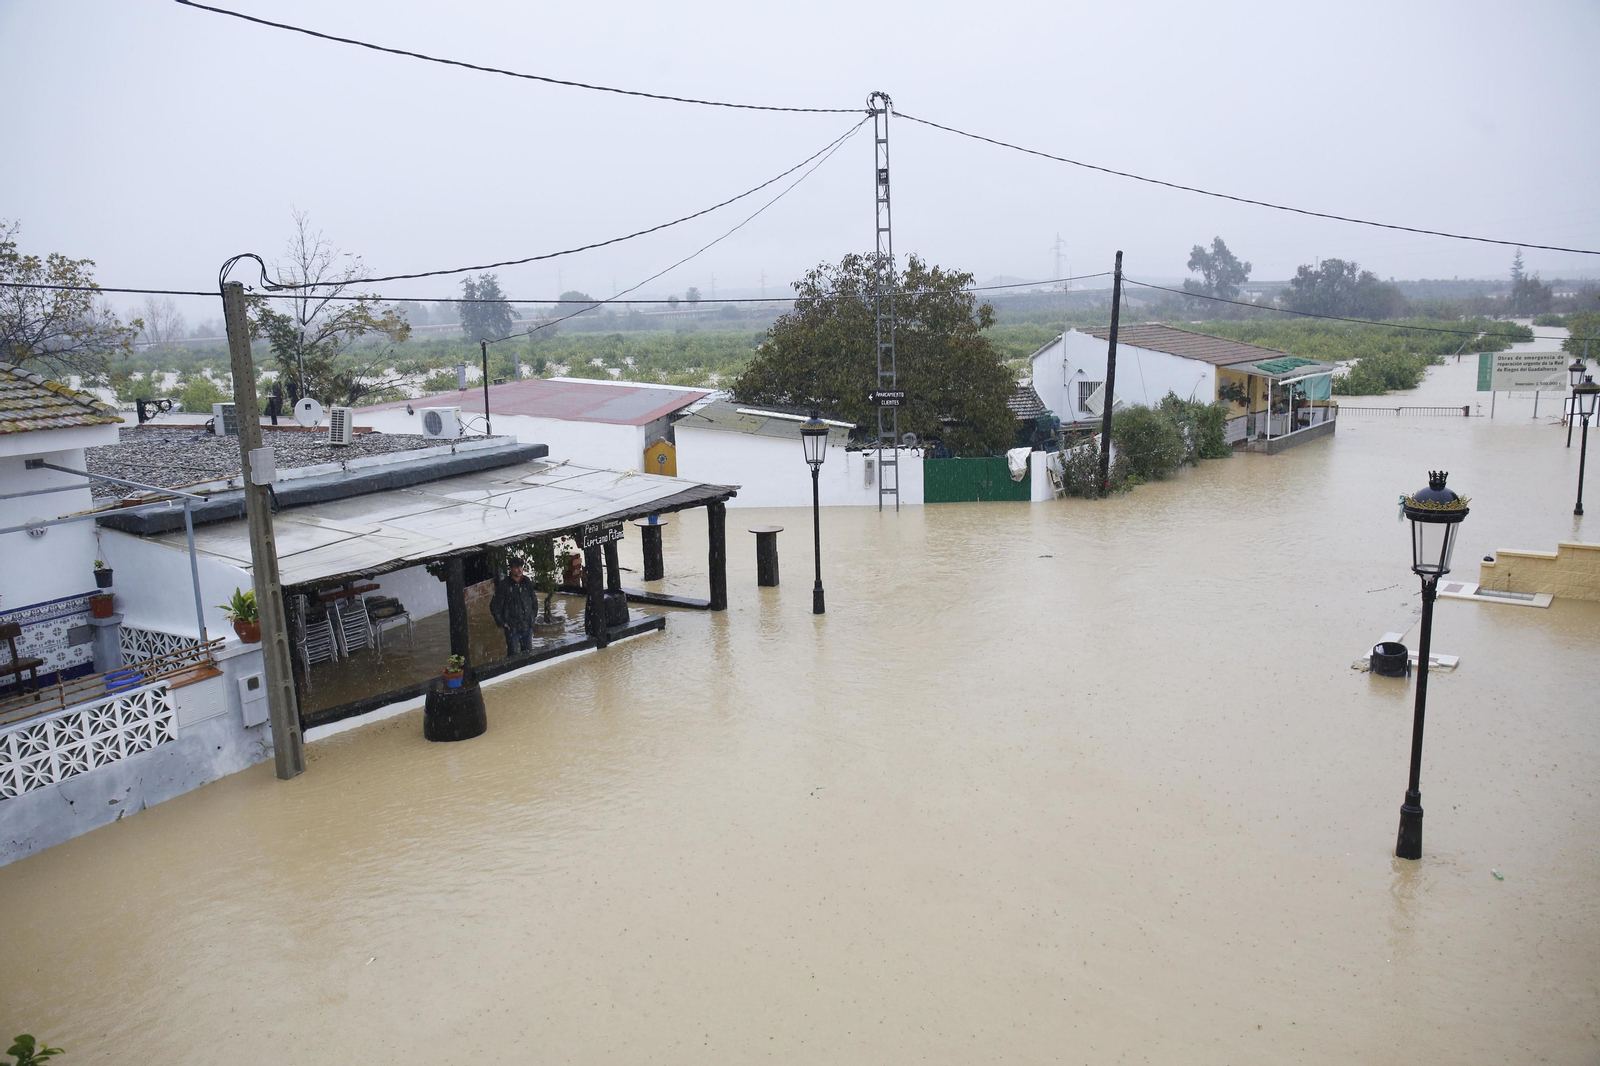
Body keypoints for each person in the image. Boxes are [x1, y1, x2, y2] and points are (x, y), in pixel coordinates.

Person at [489, 561, 537, 656]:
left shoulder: (526, 581)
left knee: (528, 654)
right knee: (513, 655)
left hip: (527, 625)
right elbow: (494, 605)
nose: (520, 569)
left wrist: (532, 616)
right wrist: (502, 623)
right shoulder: (504, 585)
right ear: (511, 569)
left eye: (521, 567)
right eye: (516, 567)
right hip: (512, 628)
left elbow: (534, 600)